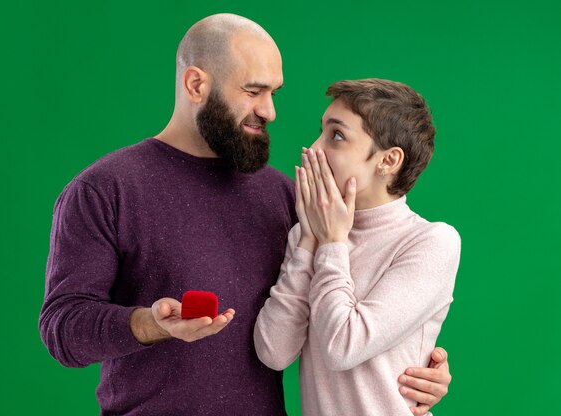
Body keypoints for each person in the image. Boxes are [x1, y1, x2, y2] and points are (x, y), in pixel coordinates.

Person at [39, 14, 452, 415]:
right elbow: (62, 329)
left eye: (274, 93)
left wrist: (411, 369)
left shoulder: (287, 199)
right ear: (196, 84)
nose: (270, 111)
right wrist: (150, 324)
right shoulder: (105, 190)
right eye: (254, 91)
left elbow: (335, 322)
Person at [254, 78, 460, 415]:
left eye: (336, 135)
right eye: (320, 131)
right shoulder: (308, 235)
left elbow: (343, 346)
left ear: (389, 160)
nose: (314, 148)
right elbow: (273, 352)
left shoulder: (431, 242)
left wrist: (332, 243)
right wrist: (309, 240)